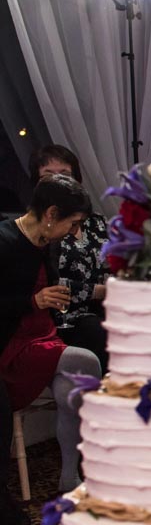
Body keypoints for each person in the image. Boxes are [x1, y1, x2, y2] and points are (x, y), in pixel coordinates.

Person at [0, 174, 102, 497]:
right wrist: (34, 300)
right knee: (85, 361)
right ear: (50, 214)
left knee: (71, 385)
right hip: (11, 343)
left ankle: (70, 477)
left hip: (41, 334)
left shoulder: (46, 243)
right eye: (72, 223)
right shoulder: (4, 240)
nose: (74, 232)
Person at [29, 145, 110, 371]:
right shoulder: (38, 228)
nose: (58, 182)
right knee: (95, 329)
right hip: (65, 315)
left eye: (64, 175)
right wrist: (98, 291)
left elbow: (110, 264)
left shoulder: (96, 222)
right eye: (48, 176)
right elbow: (47, 284)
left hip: (106, 307)